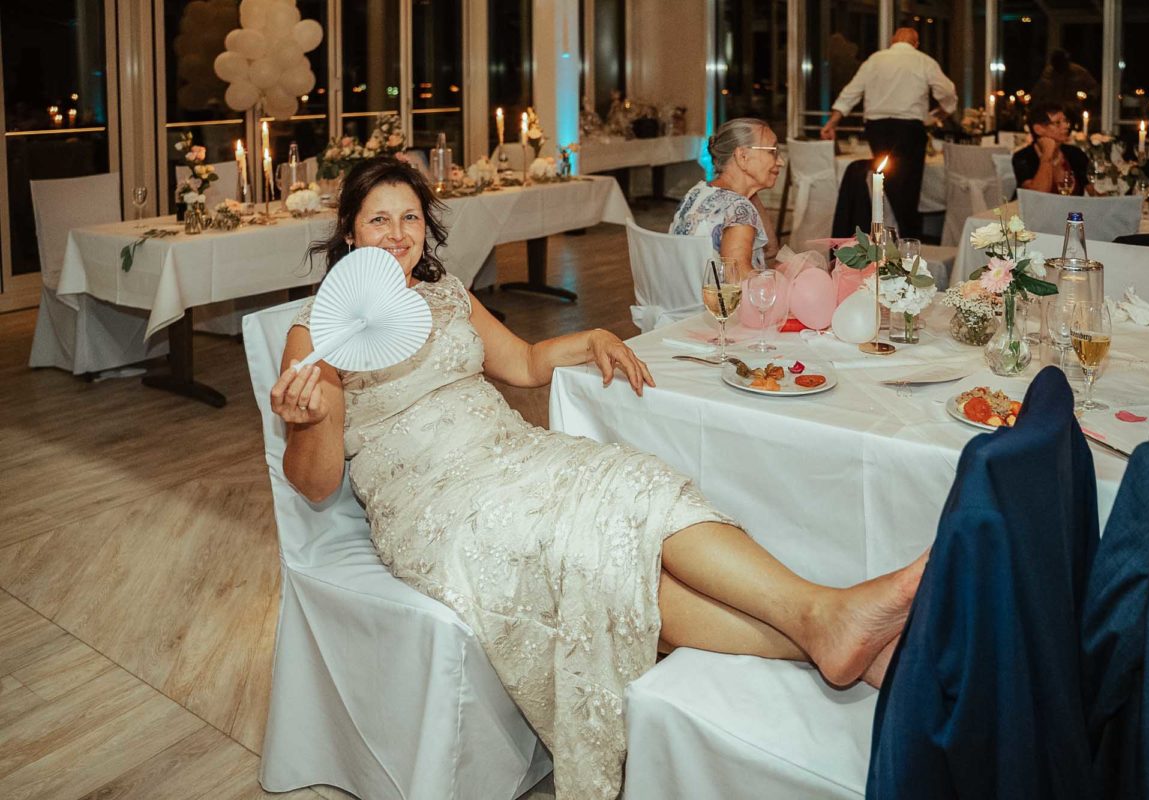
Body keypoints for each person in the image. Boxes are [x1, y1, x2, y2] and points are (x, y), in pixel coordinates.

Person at [269, 157, 925, 800]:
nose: (397, 233)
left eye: (409, 216)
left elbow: (523, 363)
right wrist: (316, 416)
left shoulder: (443, 293)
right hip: (438, 503)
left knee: (635, 480)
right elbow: (315, 483)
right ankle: (823, 626)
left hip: (509, 452)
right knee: (597, 557)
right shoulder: (319, 334)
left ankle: (828, 626)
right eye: (378, 219)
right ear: (349, 234)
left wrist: (590, 339)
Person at [821, 26, 958, 239]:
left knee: (886, 184)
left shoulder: (875, 60)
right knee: (908, 188)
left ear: (892, 41)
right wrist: (943, 111)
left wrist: (833, 122)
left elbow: (851, 92)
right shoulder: (923, 60)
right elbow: (947, 90)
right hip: (909, 130)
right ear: (916, 43)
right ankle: (907, 237)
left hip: (877, 130)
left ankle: (888, 236)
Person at [670, 117, 782, 276]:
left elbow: (770, 250)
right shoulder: (737, 209)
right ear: (743, 156)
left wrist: (749, 189)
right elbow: (738, 281)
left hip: (686, 296)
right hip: (716, 300)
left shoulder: (697, 192)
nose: (781, 162)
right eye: (773, 151)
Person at [1012, 102, 1090, 197]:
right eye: (1058, 123)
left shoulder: (1075, 154)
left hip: (1071, 211)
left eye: (1066, 121)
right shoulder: (1023, 156)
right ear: (1038, 129)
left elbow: (1093, 192)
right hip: (1034, 211)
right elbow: (1036, 196)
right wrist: (1047, 153)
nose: (1066, 126)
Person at [1032, 49, 1099, 124]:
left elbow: (1094, 87)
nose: (1059, 66)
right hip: (1054, 111)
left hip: (1074, 111)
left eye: (1061, 62)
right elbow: (1038, 91)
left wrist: (1089, 97)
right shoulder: (1048, 73)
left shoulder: (1079, 72)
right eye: (1056, 63)